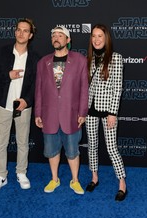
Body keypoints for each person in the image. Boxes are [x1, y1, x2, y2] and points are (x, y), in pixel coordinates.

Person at [35, 25, 88, 195]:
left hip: (71, 115)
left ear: (68, 40)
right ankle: (54, 179)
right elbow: (39, 90)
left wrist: (82, 112)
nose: (56, 38)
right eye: (53, 35)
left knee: (73, 152)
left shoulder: (80, 60)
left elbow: (84, 90)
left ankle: (75, 181)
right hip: (49, 115)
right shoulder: (43, 62)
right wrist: (37, 113)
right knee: (51, 151)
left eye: (60, 35)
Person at [0, 18, 39, 192]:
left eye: (25, 31)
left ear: (30, 35)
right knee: (0, 143)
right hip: (3, 105)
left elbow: (36, 85)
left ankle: (21, 172)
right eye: (19, 29)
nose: (21, 33)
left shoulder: (35, 58)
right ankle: (1, 175)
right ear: (15, 31)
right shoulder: (3, 52)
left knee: (23, 142)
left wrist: (27, 100)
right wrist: (8, 75)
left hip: (23, 106)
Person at [85, 24, 127, 201]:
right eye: (93, 36)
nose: (96, 39)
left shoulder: (116, 58)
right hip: (90, 110)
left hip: (108, 110)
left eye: (100, 36)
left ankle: (122, 183)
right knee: (92, 146)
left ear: (106, 38)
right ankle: (94, 177)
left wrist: (112, 112)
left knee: (111, 148)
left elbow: (117, 88)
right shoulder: (90, 58)